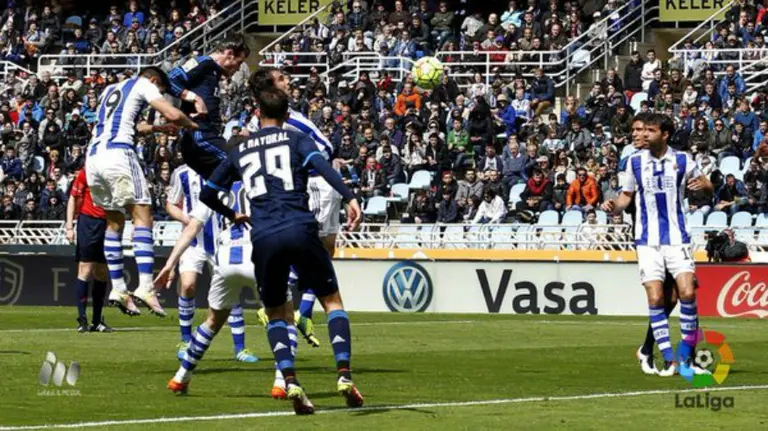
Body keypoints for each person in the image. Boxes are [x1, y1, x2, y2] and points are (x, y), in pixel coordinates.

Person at [188, 87, 363, 415]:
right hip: (300, 227)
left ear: (257, 114)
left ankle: (291, 380)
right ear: (286, 115)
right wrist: (350, 197)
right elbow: (324, 168)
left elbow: (208, 194)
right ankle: (344, 375)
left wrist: (232, 214)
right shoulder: (297, 139)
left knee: (275, 312)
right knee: (332, 301)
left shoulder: (240, 149)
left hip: (264, 236)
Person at [602, 114, 713, 377]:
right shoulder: (634, 162)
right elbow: (625, 197)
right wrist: (613, 206)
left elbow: (707, 188)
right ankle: (668, 358)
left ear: (664, 134)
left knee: (686, 294)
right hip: (647, 241)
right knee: (658, 298)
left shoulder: (683, 160)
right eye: (640, 130)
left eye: (649, 130)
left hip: (678, 238)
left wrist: (706, 185)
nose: (643, 135)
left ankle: (684, 358)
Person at [85, 66, 198, 317]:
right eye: (161, 90)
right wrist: (192, 124)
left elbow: (129, 125)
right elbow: (171, 112)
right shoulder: (144, 84)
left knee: (114, 221)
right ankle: (146, 286)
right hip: (119, 154)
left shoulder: (110, 89)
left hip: (93, 157)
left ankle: (118, 289)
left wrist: (158, 129)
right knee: (143, 215)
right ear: (154, 80)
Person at [248, 67, 343, 367]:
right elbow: (325, 149)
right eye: (282, 78)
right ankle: (293, 305)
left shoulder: (256, 121)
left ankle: (303, 309)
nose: (288, 81)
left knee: (326, 247)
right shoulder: (292, 120)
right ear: (271, 87)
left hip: (280, 193)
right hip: (312, 182)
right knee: (311, 248)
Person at [158, 180, 272, 392]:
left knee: (212, 320)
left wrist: (169, 263)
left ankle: (181, 376)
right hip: (255, 255)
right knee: (282, 316)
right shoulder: (262, 184)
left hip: (225, 257)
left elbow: (191, 228)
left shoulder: (215, 189)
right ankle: (284, 381)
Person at [165, 165, 260, 363]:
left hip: (220, 241)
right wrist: (187, 219)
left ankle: (240, 348)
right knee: (188, 285)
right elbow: (171, 204)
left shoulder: (221, 168)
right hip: (194, 241)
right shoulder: (182, 173)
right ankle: (185, 341)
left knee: (230, 288)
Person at [168, 36, 250, 178]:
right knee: (244, 164)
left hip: (206, 136)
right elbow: (169, 79)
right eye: (239, 62)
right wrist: (194, 98)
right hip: (200, 135)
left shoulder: (214, 72)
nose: (238, 69)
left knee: (221, 182)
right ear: (229, 54)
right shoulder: (203, 62)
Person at [65, 168, 112, 333]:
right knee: (85, 269)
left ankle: (97, 320)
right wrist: (69, 226)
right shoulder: (86, 172)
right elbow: (73, 197)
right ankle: (82, 318)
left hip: (108, 223)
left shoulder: (114, 171)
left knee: (102, 272)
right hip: (88, 223)